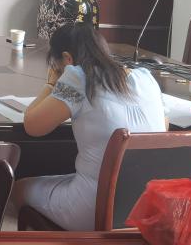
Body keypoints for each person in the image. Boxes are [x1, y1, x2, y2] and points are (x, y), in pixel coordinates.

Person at [12, 22, 167, 230]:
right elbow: (164, 126)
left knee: (19, 189)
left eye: (57, 67)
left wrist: (51, 84)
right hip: (145, 206)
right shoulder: (146, 78)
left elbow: (32, 125)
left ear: (67, 59)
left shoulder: (77, 77)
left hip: (95, 208)